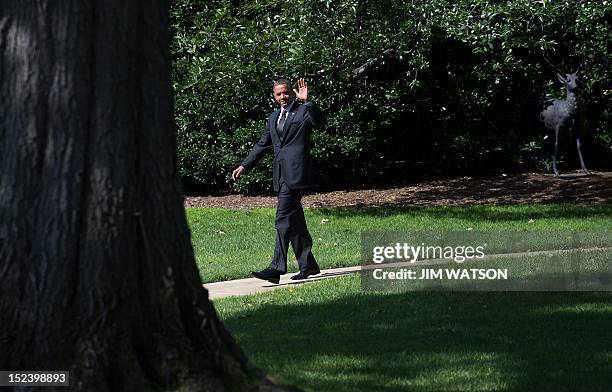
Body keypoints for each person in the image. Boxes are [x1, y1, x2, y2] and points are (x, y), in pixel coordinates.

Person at [231, 78, 323, 284]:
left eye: (286, 93)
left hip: (297, 175)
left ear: (292, 92)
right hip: (281, 175)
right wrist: (244, 165)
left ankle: (276, 267)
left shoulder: (302, 112)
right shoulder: (273, 117)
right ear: (274, 96)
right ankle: (308, 265)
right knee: (295, 221)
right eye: (278, 94)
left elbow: (319, 122)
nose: (283, 97)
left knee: (282, 218)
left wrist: (308, 102)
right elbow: (263, 144)